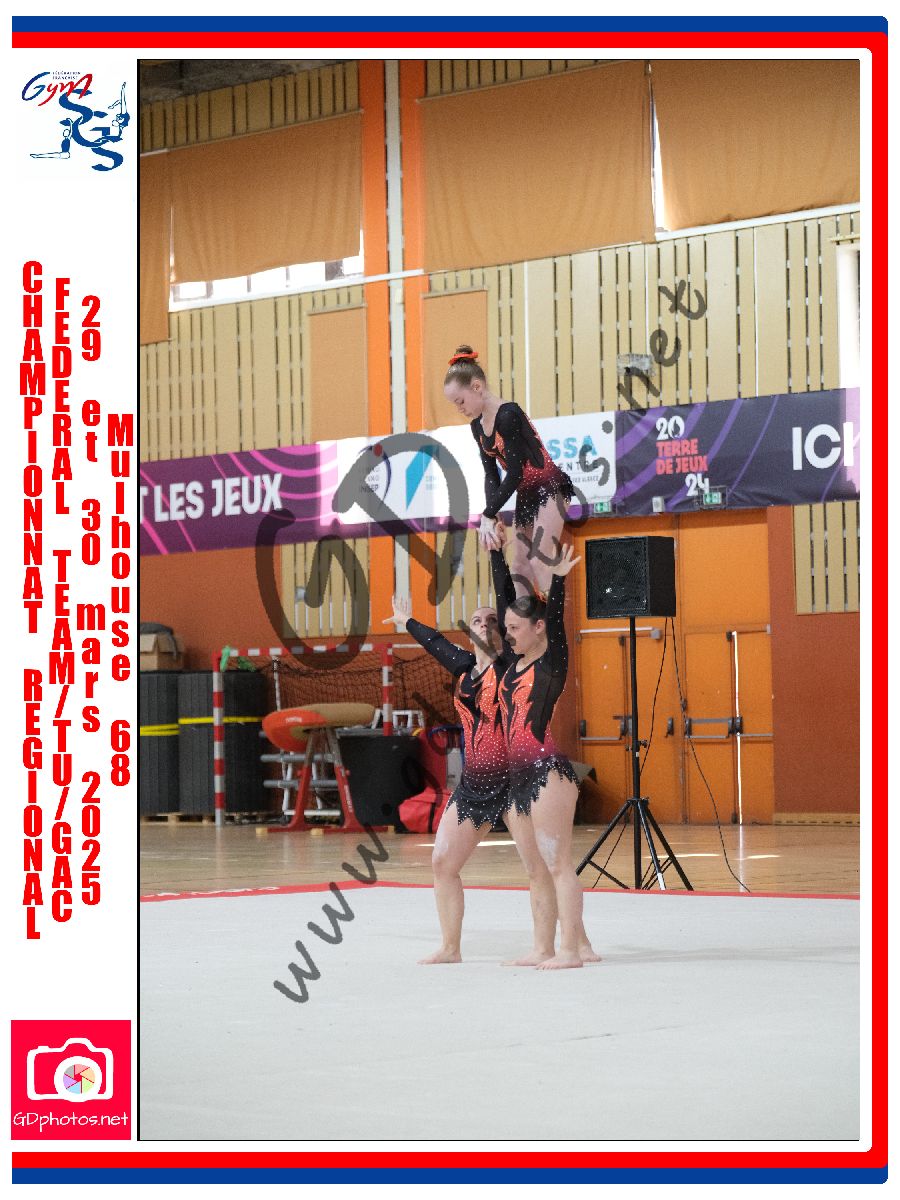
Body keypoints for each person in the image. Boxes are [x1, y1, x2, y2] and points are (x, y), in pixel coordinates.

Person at [384, 561, 513, 964]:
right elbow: (435, 642)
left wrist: (497, 555)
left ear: (504, 628)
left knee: (544, 866)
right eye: (476, 620)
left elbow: (506, 600)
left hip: (516, 782)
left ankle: (575, 940)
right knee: (442, 862)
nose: (483, 624)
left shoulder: (510, 668)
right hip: (475, 784)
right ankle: (450, 947)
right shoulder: (464, 668)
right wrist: (406, 621)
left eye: (492, 620)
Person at [498, 540, 598, 969]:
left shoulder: (551, 661)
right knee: (535, 870)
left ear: (537, 628)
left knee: (558, 865)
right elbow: (506, 599)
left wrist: (557, 581)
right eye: (507, 628)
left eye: (515, 629)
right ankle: (543, 947)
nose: (508, 635)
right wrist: (497, 554)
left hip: (547, 773)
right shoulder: (513, 663)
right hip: (516, 777)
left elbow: (554, 619)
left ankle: (570, 951)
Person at [444, 344, 575, 599]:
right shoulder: (477, 426)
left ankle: (555, 622)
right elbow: (491, 475)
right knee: (519, 568)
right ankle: (525, 623)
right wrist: (491, 517)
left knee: (539, 560)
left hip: (550, 488)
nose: (459, 409)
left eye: (460, 401)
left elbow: (514, 473)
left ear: (477, 387)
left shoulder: (508, 414)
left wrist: (488, 513)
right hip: (527, 494)